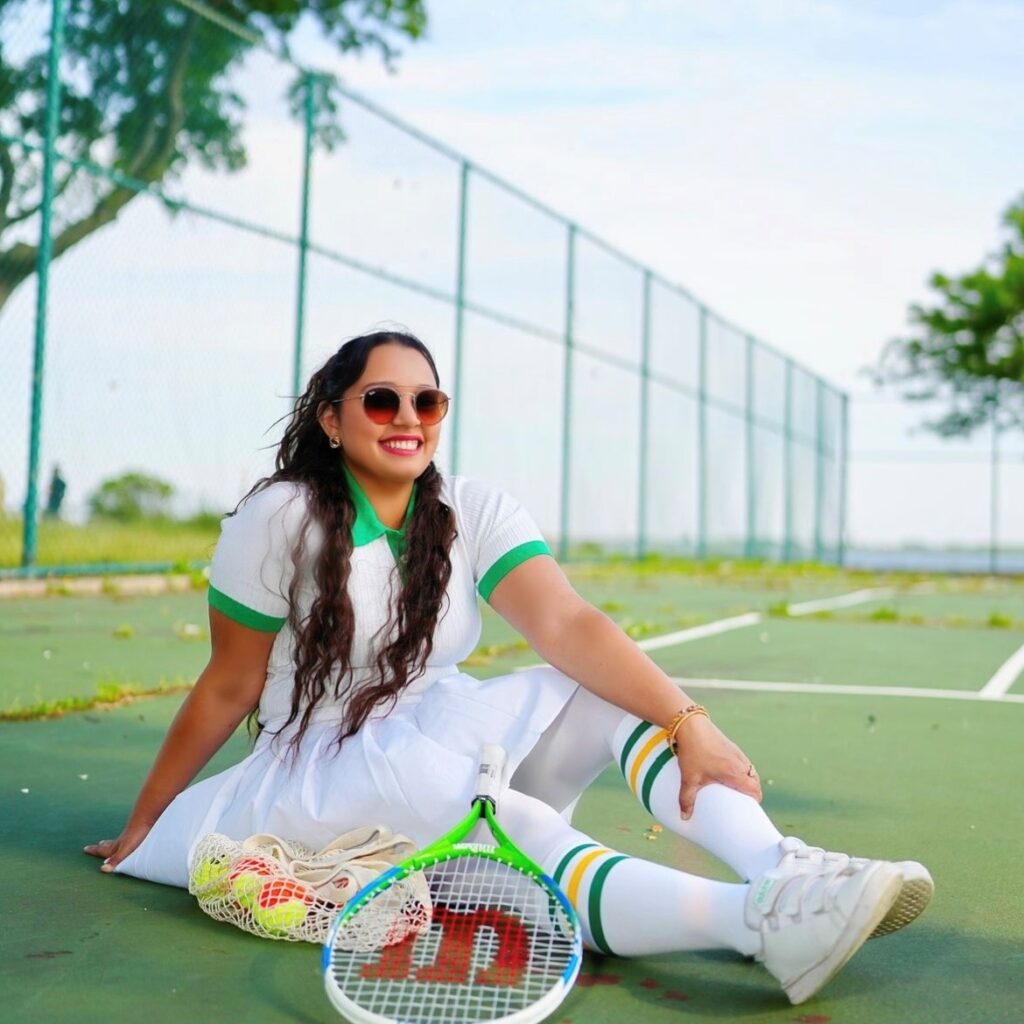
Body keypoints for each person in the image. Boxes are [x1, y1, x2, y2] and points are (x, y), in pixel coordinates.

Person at [85, 330, 932, 1005]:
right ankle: (762, 926)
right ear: (333, 421)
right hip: (321, 765)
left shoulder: (472, 508)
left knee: (600, 694)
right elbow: (229, 684)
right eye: (380, 399)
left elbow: (568, 624)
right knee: (511, 827)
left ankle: (782, 868)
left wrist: (690, 723)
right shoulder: (281, 518)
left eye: (427, 399)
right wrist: (146, 822)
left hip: (434, 719)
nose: (405, 414)